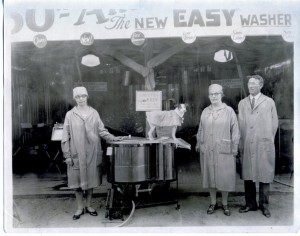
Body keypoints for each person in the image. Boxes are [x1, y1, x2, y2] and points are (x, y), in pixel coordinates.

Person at [61, 86, 123, 220]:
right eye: (78, 97)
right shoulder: (70, 115)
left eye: (83, 96)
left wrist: (112, 137)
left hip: (92, 153)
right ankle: (79, 207)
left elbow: (101, 130)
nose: (81, 99)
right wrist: (67, 155)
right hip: (76, 152)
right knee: (77, 182)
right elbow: (65, 136)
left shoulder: (94, 113)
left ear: (87, 96)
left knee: (90, 180)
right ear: (74, 99)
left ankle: (88, 205)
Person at [196, 84, 240, 216]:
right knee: (210, 176)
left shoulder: (229, 111)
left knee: (224, 176)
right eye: (211, 94)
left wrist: (234, 148)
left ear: (222, 94)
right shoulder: (205, 111)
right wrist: (199, 143)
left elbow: (235, 131)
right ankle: (213, 202)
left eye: (216, 93)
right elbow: (201, 129)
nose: (214, 96)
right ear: (209, 96)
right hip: (208, 148)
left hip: (224, 149)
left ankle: (225, 203)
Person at [238, 75, 278, 218]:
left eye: (254, 84)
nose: (251, 86)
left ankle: (264, 205)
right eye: (249, 83)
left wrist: (268, 139)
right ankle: (250, 204)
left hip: (263, 143)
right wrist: (241, 142)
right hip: (247, 142)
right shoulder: (242, 103)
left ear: (261, 85)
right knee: (248, 174)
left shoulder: (269, 102)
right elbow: (240, 124)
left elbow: (274, 123)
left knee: (264, 174)